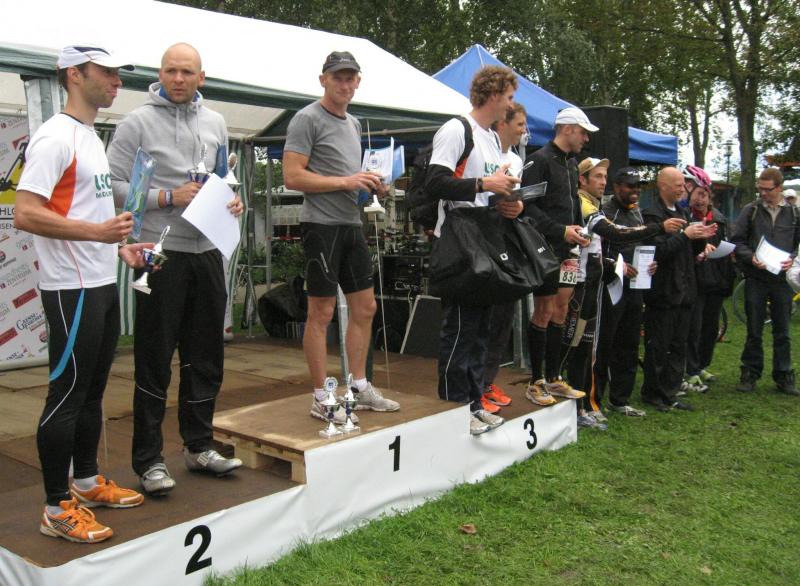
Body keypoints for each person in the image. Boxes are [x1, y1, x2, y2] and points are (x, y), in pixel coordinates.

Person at [14, 45, 154, 543]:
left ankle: (88, 481)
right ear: (74, 74)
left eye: (119, 73)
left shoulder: (91, 136)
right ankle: (55, 508)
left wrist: (119, 246)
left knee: (92, 391)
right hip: (69, 289)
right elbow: (25, 213)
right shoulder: (55, 137)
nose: (117, 81)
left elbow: (88, 214)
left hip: (99, 281)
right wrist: (96, 234)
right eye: (107, 72)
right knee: (68, 394)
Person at [108, 43, 244, 496]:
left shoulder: (217, 122)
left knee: (206, 356)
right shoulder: (136, 122)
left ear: (201, 77)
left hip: (207, 250)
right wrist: (167, 197)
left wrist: (233, 200)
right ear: (160, 74)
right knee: (154, 359)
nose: (179, 79)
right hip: (159, 253)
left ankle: (199, 446)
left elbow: (223, 178)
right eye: (171, 71)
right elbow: (114, 186)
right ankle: (149, 461)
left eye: (187, 72)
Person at [283, 51, 400, 427]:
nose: (345, 84)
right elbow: (292, 176)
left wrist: (372, 185)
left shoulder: (354, 123)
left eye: (350, 78)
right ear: (323, 80)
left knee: (365, 308)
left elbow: (352, 178)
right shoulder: (306, 118)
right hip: (320, 225)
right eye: (338, 77)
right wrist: (347, 181)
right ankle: (321, 396)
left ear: (358, 82)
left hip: (351, 224)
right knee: (322, 312)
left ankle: (359, 386)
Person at [428, 65, 521, 435]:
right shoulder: (457, 129)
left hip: (485, 237)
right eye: (509, 97)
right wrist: (485, 184)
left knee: (481, 327)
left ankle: (474, 402)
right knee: (460, 327)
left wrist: (509, 200)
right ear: (494, 94)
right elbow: (435, 182)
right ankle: (453, 407)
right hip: (459, 242)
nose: (511, 105)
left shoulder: (490, 138)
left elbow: (486, 190)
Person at [570, 160, 683, 428]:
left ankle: (620, 399)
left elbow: (639, 241)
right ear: (617, 186)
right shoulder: (599, 208)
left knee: (630, 343)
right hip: (606, 285)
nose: (635, 191)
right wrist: (617, 265)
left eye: (639, 186)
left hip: (635, 285)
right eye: (630, 186)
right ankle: (593, 401)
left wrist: (650, 262)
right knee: (601, 345)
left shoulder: (635, 211)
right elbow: (612, 239)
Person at [520, 107, 592, 407]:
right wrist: (560, 230)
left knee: (562, 309)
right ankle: (536, 380)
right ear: (568, 129)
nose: (586, 139)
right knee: (544, 310)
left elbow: (573, 203)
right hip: (544, 248)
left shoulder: (571, 164)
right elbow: (527, 206)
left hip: (568, 249)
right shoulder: (539, 159)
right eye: (583, 132)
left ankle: (553, 376)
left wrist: (580, 230)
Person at [640, 167, 716, 412]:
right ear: (663, 186)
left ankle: (670, 391)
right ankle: (653, 393)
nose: (683, 189)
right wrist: (685, 235)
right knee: (658, 346)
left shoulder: (683, 212)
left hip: (685, 290)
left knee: (679, 345)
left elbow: (689, 251)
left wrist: (701, 238)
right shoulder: (652, 215)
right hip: (663, 291)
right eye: (678, 185)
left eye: (684, 184)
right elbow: (657, 251)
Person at [730, 167, 800, 395]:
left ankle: (784, 376)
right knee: (754, 329)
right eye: (760, 189)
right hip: (756, 278)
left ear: (779, 188)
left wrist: (792, 258)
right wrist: (750, 257)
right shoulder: (750, 211)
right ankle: (750, 373)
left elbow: (797, 244)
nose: (763, 193)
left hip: (781, 281)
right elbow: (737, 241)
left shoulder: (794, 213)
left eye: (768, 190)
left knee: (783, 331)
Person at [480, 102, 528, 415]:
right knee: (483, 319)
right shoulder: (483, 150)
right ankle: (474, 385)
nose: (524, 131)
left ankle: (487, 381)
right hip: (480, 240)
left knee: (503, 317)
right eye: (520, 124)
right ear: (503, 123)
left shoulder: (517, 160)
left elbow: (517, 200)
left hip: (506, 241)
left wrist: (518, 206)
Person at [683, 167, 735, 389]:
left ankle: (703, 364)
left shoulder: (720, 219)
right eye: (698, 194)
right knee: (693, 326)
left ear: (709, 196)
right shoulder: (685, 218)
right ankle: (691, 368)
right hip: (696, 279)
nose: (700, 199)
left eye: (704, 195)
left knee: (710, 327)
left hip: (716, 279)